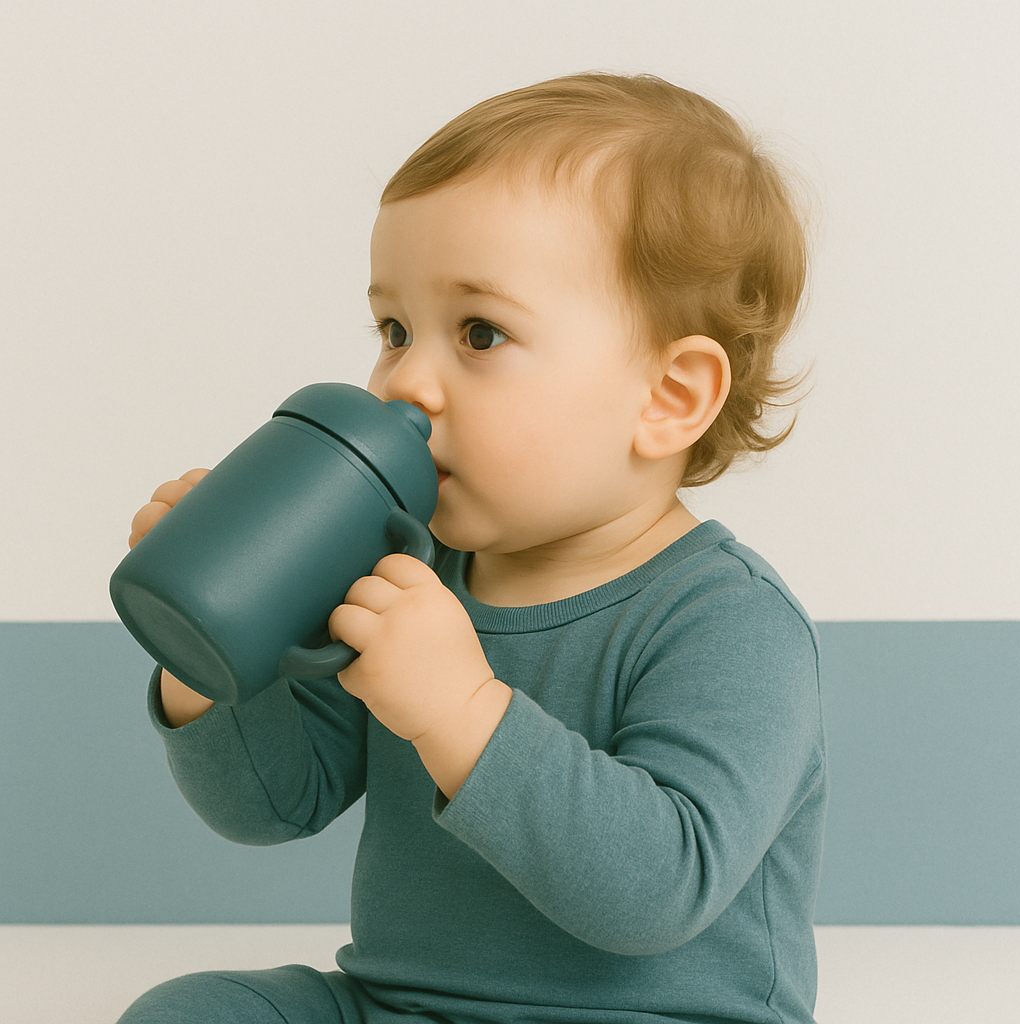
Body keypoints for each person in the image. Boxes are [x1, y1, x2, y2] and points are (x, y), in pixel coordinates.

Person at [118, 72, 827, 1023]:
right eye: (394, 329)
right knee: (193, 1012)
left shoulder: (731, 622)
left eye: (480, 333)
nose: (407, 381)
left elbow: (658, 889)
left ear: (667, 397)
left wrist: (461, 708)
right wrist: (204, 653)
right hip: (404, 1005)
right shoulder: (398, 575)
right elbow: (272, 805)